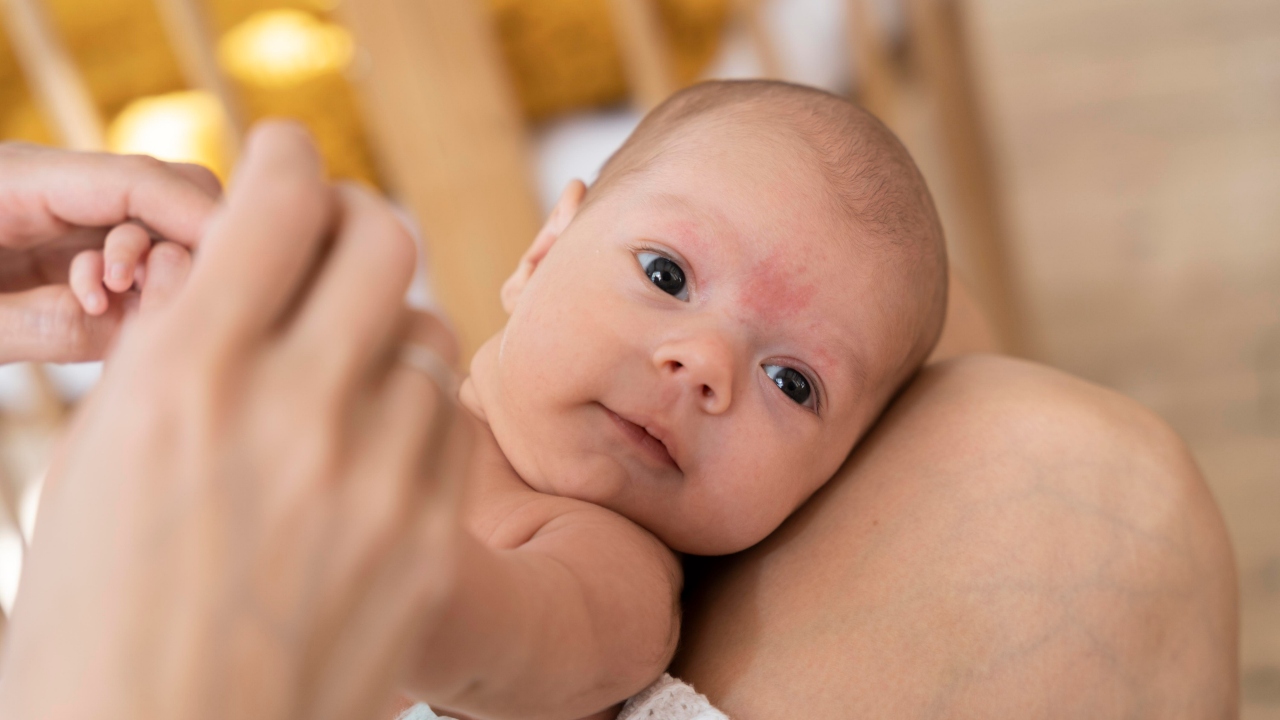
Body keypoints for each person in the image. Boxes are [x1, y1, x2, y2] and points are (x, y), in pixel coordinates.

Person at [0, 119, 1237, 720]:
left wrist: (394, 580)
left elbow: (512, 648)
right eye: (664, 276)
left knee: (944, 313)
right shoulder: (400, 374)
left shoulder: (606, 562)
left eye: (792, 385)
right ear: (539, 253)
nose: (703, 361)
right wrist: (178, 311)